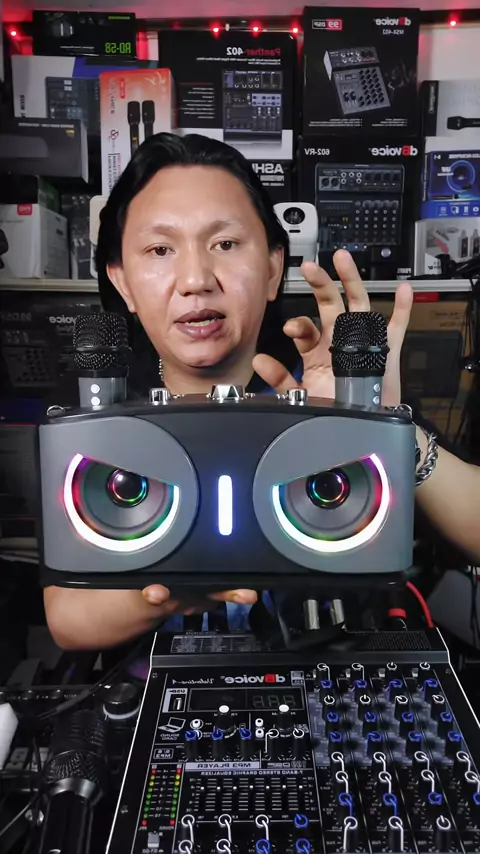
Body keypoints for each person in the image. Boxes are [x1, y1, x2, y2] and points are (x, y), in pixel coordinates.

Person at [42, 132, 475, 651]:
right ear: (122, 282)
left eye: (225, 244)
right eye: (160, 249)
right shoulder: (100, 413)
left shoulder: (337, 382)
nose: (196, 279)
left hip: (336, 677)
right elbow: (67, 619)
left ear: (273, 267)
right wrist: (174, 591)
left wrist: (388, 431)